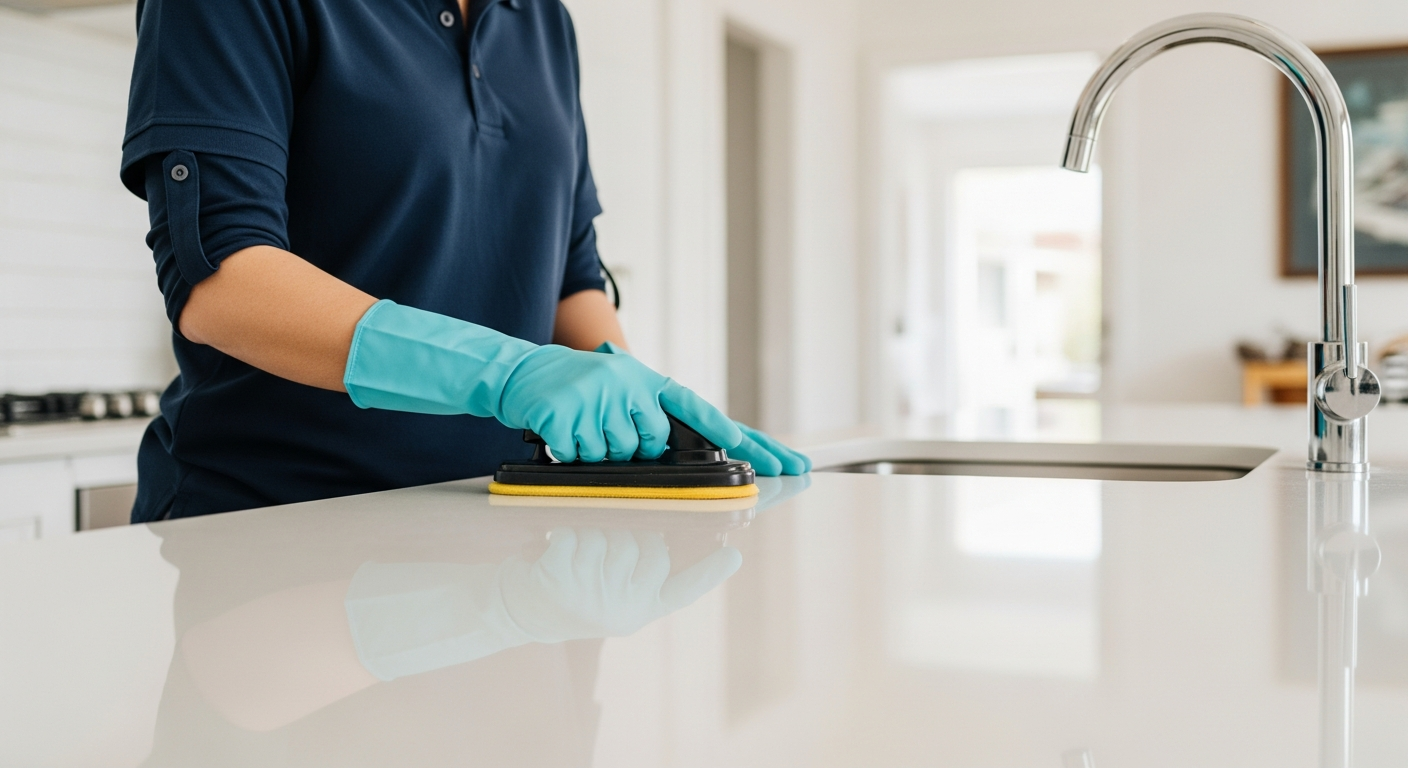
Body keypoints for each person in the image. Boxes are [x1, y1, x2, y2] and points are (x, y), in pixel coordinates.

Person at [120, 0, 809, 523]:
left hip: (496, 528)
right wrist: (506, 372)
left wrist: (644, 420)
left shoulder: (543, 20)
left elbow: (569, 273)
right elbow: (222, 281)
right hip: (277, 525)